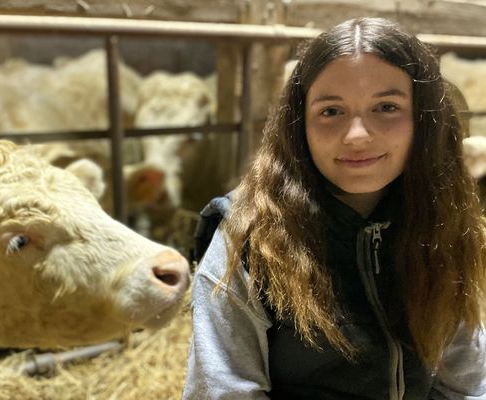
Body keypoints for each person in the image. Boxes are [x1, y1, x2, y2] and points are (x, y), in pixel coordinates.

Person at [183, 17, 486, 399]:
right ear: (299, 124)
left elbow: (467, 379)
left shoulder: (440, 218)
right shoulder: (249, 236)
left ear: (424, 119)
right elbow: (223, 389)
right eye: (331, 111)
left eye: (387, 106)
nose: (357, 135)